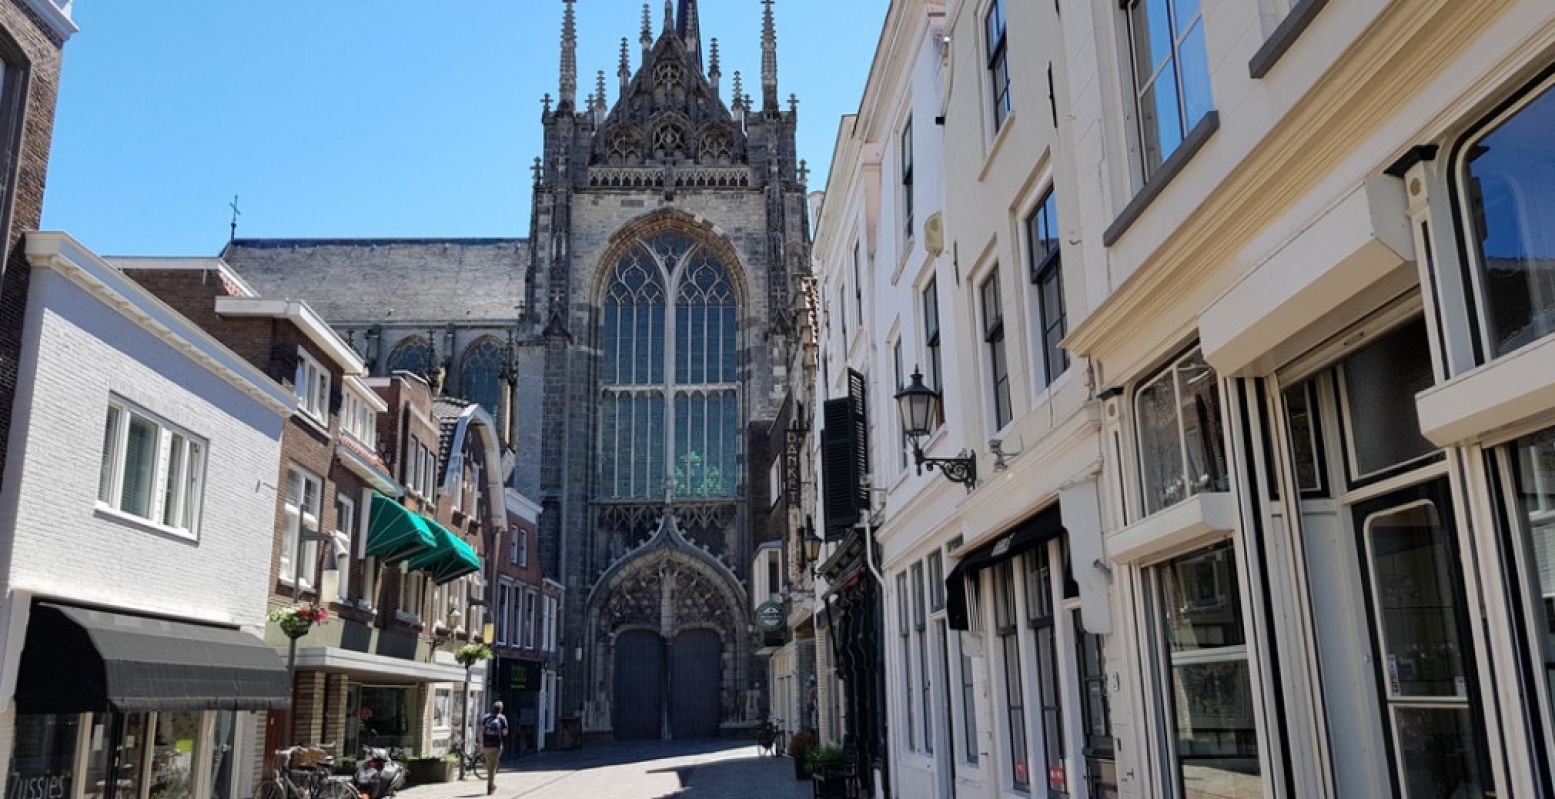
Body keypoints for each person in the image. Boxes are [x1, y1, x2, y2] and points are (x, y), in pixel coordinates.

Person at [479, 701, 509, 795]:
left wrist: (481, 743)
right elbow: (504, 732)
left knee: (489, 766)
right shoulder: (502, 718)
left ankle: (491, 785)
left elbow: (481, 731)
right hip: (496, 745)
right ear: (501, 709)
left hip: (486, 745)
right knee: (493, 767)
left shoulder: (485, 717)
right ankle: (490, 787)